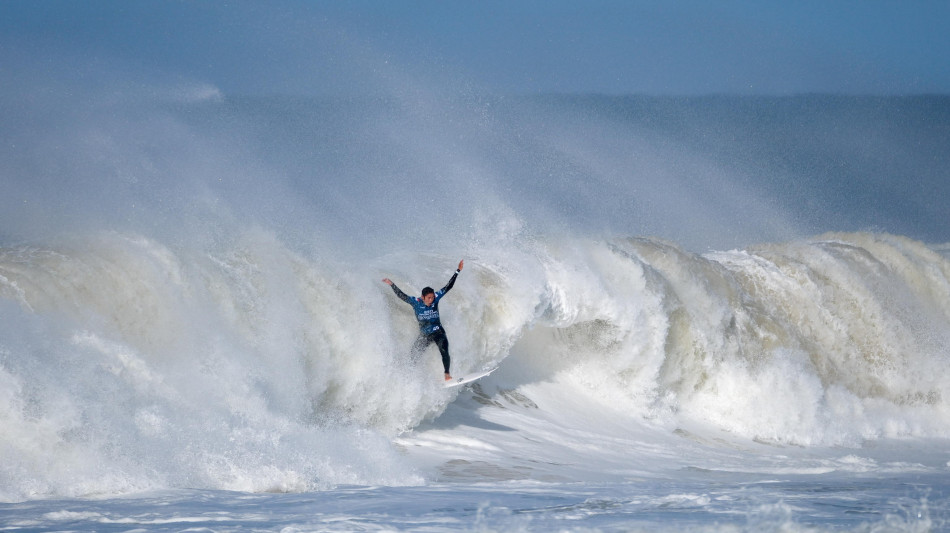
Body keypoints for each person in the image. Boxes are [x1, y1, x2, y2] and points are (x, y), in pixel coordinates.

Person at [383, 260, 464, 381]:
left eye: (432, 297)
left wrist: (457, 271)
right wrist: (391, 284)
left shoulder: (436, 298)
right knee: (414, 356)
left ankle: (447, 374)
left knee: (444, 350)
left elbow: (448, 286)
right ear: (423, 297)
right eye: (429, 298)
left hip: (438, 332)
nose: (431, 299)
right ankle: (408, 376)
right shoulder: (416, 302)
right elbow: (401, 295)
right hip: (425, 334)